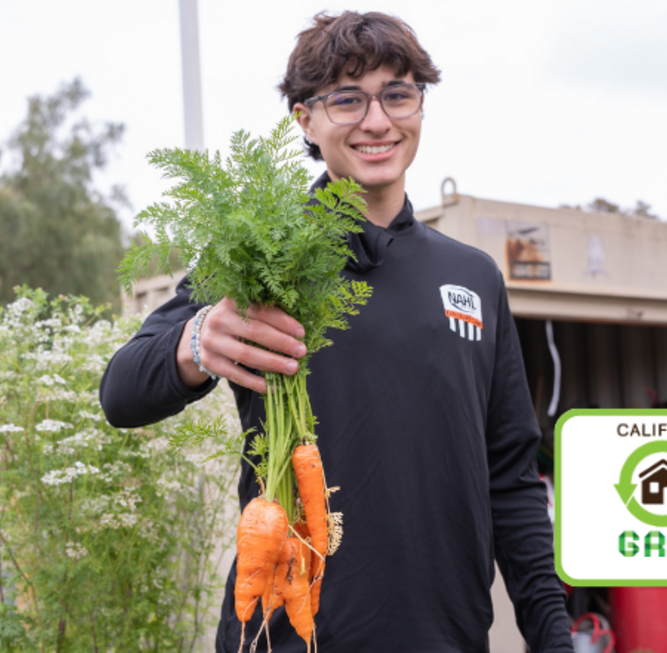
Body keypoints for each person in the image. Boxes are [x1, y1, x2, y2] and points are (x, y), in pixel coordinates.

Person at [100, 10, 574, 653]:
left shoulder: (474, 276)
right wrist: (197, 341)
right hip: (290, 632)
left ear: (420, 107)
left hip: (448, 635)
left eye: (398, 94)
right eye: (347, 98)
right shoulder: (260, 257)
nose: (377, 121)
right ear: (306, 119)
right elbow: (121, 393)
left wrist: (553, 636)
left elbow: (510, 477)